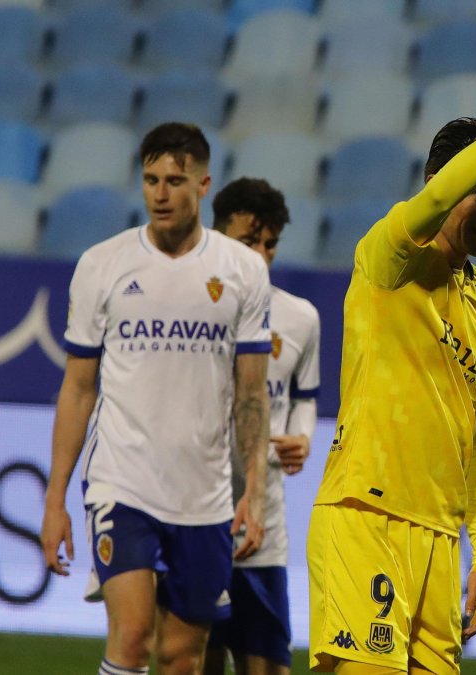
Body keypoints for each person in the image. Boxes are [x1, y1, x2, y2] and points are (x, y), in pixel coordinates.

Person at [307, 68, 476, 674]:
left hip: (438, 540)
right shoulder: (388, 258)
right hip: (366, 518)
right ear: (442, 183)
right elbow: (431, 203)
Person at [39, 123, 271, 675]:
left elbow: (251, 395)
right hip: (123, 482)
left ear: (203, 184)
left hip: (204, 494)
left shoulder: (241, 272)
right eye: (149, 180)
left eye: (174, 180)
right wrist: (55, 499)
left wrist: (255, 491)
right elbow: (77, 388)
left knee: (181, 657)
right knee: (134, 636)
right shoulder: (102, 266)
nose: (160, 193)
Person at [203, 177, 321, 675]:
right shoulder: (189, 309)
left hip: (262, 527)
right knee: (189, 662)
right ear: (217, 235)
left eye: (270, 244)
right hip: (195, 517)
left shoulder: (299, 318)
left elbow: (304, 399)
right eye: (249, 241)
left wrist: (303, 437)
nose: (261, 254)